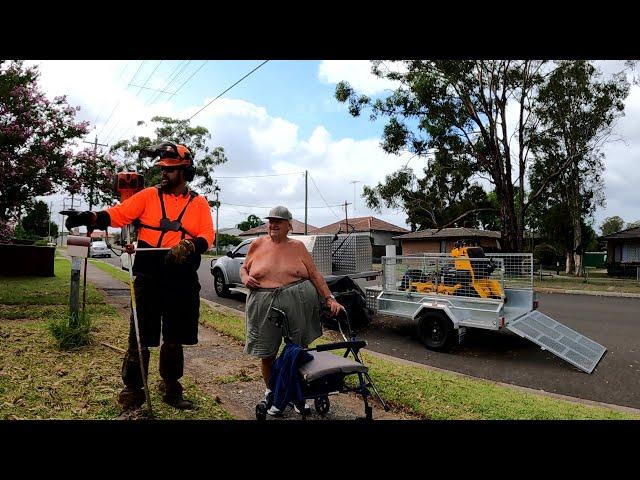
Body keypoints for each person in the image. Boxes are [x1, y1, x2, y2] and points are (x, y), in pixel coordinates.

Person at [65, 141, 215, 414]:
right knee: (140, 336)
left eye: (170, 170)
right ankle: (132, 392)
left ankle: (171, 388)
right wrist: (90, 216)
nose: (164, 174)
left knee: (174, 337)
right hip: (148, 270)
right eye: (162, 170)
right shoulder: (147, 196)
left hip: (181, 274)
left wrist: (192, 246)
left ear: (185, 172)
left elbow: (207, 235)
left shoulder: (199, 203)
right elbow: (118, 214)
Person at [239, 205, 343, 416]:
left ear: (289, 225)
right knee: (266, 352)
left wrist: (329, 298)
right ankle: (272, 392)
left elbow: (314, 275)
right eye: (271, 220)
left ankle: (298, 395)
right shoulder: (257, 244)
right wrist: (244, 278)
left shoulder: (298, 247)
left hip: (297, 301)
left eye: (278, 221)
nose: (273, 224)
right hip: (263, 301)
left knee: (298, 351)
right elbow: (244, 267)